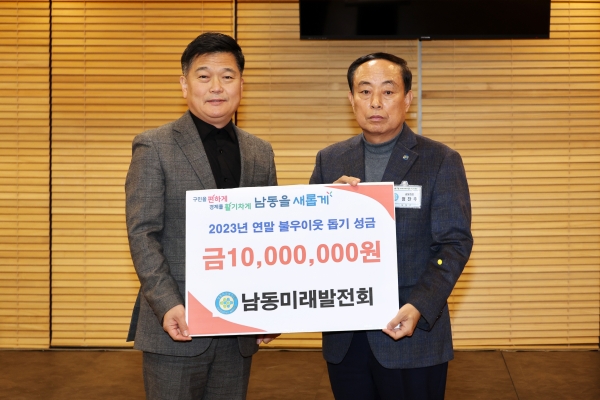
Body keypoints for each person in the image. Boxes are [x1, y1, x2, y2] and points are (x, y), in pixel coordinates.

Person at [310, 53, 473, 400]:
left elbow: (454, 244)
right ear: (351, 99)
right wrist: (326, 205)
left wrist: (419, 306)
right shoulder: (330, 159)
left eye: (388, 91)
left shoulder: (440, 160)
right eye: (365, 91)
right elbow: (308, 242)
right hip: (345, 338)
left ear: (407, 99)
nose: (375, 102)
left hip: (412, 334)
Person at [125, 32, 278, 400]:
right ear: (184, 84)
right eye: (204, 76)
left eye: (227, 76)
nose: (216, 87)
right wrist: (167, 304)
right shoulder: (154, 145)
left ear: (241, 84)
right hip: (177, 324)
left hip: (238, 327)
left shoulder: (260, 152)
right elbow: (143, 233)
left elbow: (269, 237)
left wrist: (272, 307)